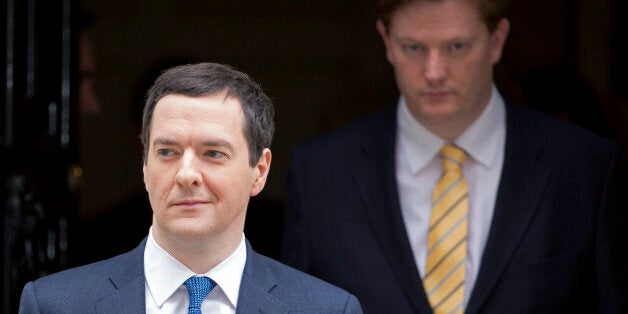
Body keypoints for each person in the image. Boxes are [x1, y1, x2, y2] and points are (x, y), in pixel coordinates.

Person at [281, 0, 626, 313]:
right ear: (386, 41)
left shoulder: (584, 167)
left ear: (497, 41)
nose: (434, 71)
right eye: (413, 47)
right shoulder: (320, 174)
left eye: (457, 47)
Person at [19, 63, 362, 313]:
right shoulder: (54, 305)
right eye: (167, 152)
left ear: (259, 171)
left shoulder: (327, 308)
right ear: (144, 166)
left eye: (213, 153)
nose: (186, 174)